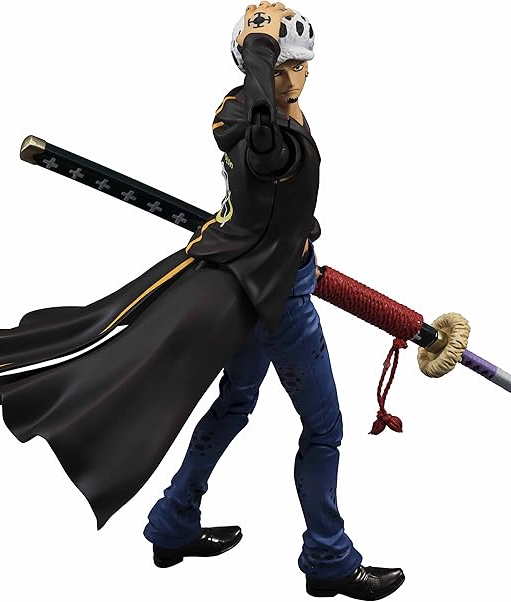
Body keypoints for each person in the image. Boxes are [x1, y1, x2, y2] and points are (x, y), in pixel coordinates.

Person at [143, 3, 405, 599]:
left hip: (256, 280)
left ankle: (172, 522)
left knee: (235, 402)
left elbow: (270, 192)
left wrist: (296, 227)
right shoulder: (252, 119)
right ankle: (329, 559)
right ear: (255, 65)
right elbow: (264, 153)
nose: (294, 77)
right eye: (280, 66)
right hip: (280, 297)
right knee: (324, 428)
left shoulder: (266, 110)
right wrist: (260, 51)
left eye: (299, 65)